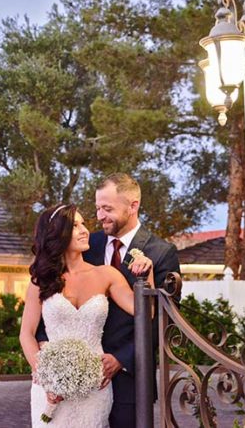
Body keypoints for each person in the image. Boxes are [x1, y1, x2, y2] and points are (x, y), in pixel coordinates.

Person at [36, 173, 181, 427]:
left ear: (133, 206)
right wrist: (48, 365)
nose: (100, 216)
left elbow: (162, 320)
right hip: (67, 379)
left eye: (107, 208)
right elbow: (49, 303)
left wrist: (121, 358)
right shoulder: (83, 242)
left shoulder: (161, 252)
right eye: (97, 208)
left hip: (129, 380)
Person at [20, 204, 154, 428]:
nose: (84, 230)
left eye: (83, 224)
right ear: (57, 234)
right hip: (49, 388)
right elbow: (26, 333)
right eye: (75, 226)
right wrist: (45, 376)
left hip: (95, 387)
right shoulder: (41, 279)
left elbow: (145, 313)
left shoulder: (106, 275)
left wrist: (147, 275)